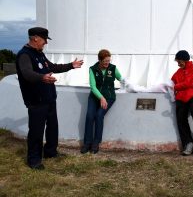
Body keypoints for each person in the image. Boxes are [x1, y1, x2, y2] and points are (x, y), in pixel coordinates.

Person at [15, 27, 84, 169]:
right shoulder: (24, 55)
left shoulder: (40, 54)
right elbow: (27, 73)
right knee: (36, 131)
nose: (46, 42)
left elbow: (53, 67)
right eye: (44, 39)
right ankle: (34, 160)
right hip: (36, 101)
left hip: (49, 98)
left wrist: (71, 65)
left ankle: (50, 152)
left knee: (53, 127)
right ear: (35, 38)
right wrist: (42, 77)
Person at [81, 49, 124, 154]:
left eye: (108, 61)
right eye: (105, 61)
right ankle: (87, 143)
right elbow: (93, 86)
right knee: (90, 116)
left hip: (109, 97)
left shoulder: (113, 68)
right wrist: (101, 97)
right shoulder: (92, 69)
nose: (107, 63)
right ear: (99, 60)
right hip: (95, 97)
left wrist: (132, 86)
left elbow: (122, 79)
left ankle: (96, 142)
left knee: (99, 115)